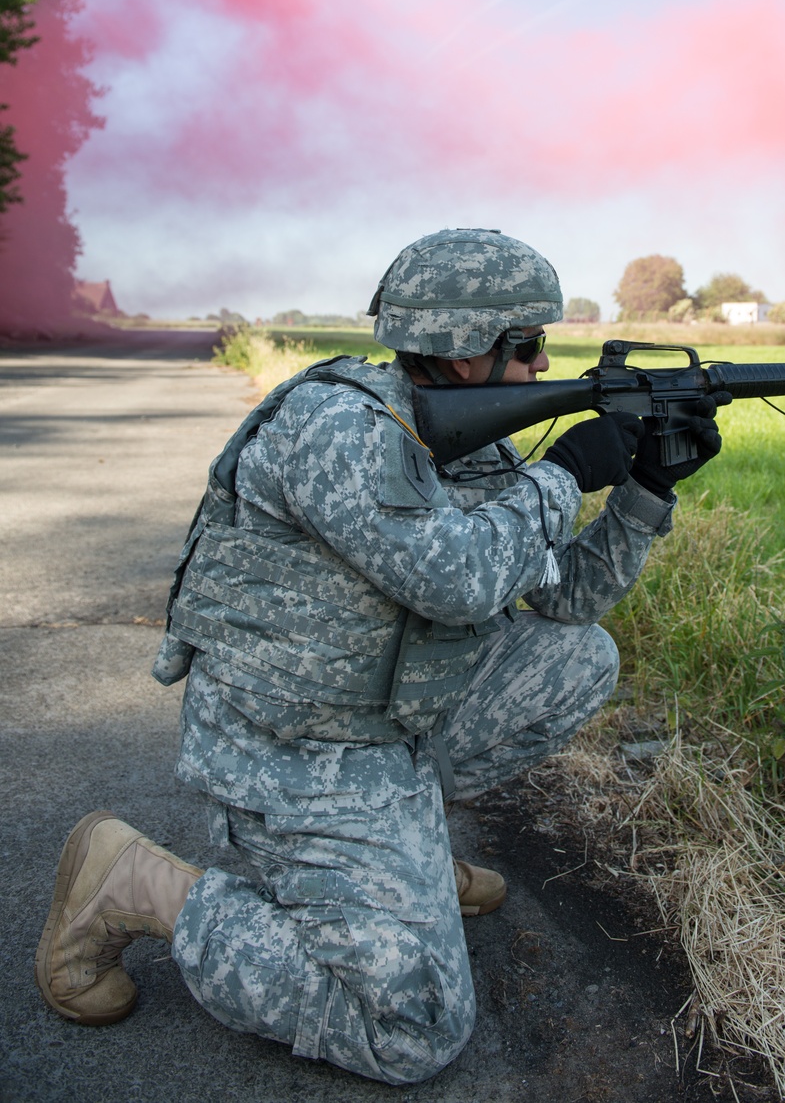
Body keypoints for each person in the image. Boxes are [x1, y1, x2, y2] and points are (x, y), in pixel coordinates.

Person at [35, 227, 722, 1084]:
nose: (546, 366)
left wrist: (647, 494)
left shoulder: (467, 435)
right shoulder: (339, 430)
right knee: (414, 1029)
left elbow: (563, 599)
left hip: (376, 727)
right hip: (289, 752)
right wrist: (563, 476)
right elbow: (460, 580)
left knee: (580, 656)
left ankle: (409, 856)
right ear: (468, 354)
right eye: (532, 345)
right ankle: (139, 885)